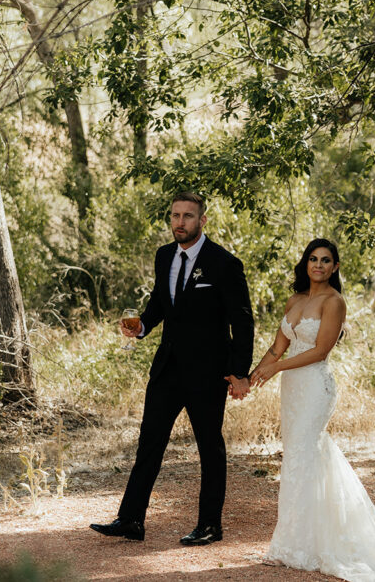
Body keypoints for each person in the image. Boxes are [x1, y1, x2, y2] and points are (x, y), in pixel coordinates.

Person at [250, 239, 375, 581]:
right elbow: (276, 348)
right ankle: (292, 544)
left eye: (326, 260)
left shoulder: (335, 302)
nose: (318, 264)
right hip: (293, 390)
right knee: (299, 458)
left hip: (316, 386)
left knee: (305, 452)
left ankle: (315, 546)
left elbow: (319, 351)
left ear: (334, 267)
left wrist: (277, 368)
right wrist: (251, 376)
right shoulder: (296, 300)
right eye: (313, 259)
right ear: (306, 263)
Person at [90, 192, 254, 546]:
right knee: (149, 443)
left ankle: (210, 525)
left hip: (209, 373)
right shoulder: (164, 255)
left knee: (209, 448)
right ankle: (131, 519)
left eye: (188, 216)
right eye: (175, 216)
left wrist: (239, 372)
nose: (180, 222)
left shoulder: (225, 264)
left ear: (202, 221)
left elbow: (243, 323)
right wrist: (144, 326)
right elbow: (160, 302)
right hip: (167, 369)